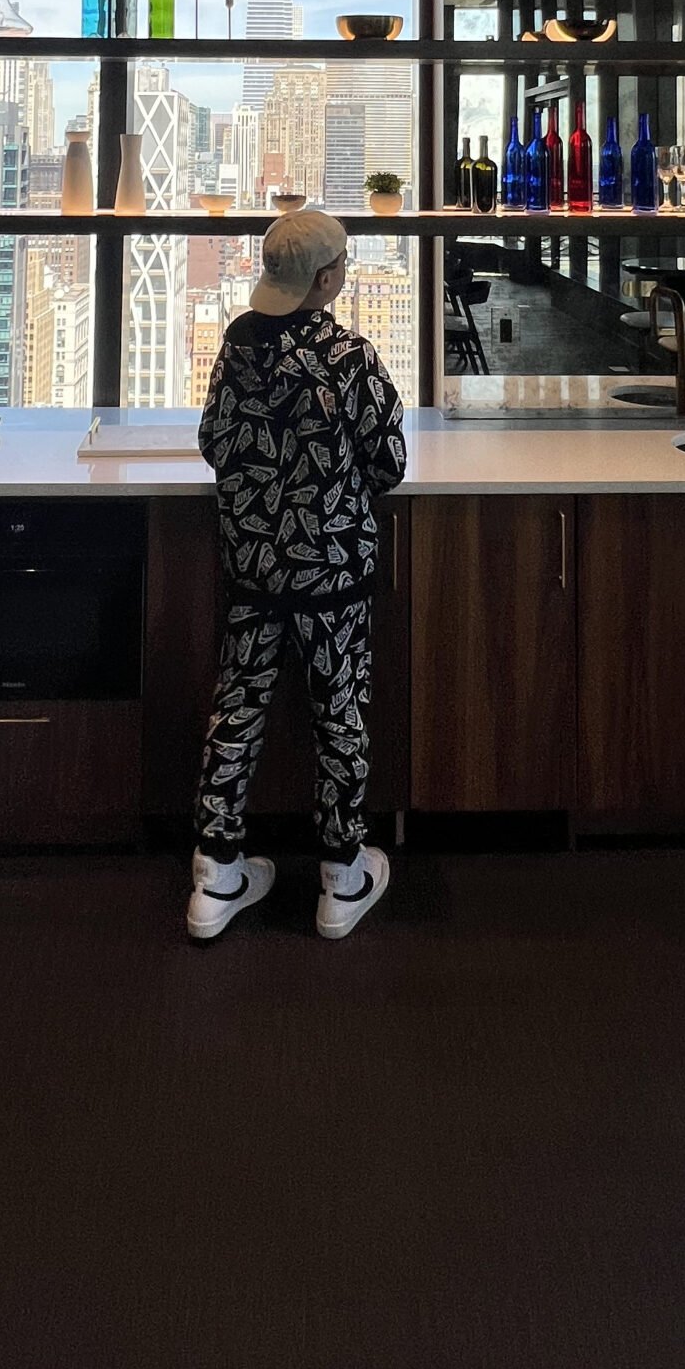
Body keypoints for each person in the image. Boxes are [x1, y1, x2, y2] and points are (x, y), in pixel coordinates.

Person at [187, 207, 406, 943]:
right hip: (333, 577)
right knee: (338, 715)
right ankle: (342, 877)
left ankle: (215, 877)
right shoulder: (350, 357)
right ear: (326, 278)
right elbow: (390, 463)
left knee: (238, 714)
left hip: (253, 570)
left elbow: (214, 441)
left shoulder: (238, 343)